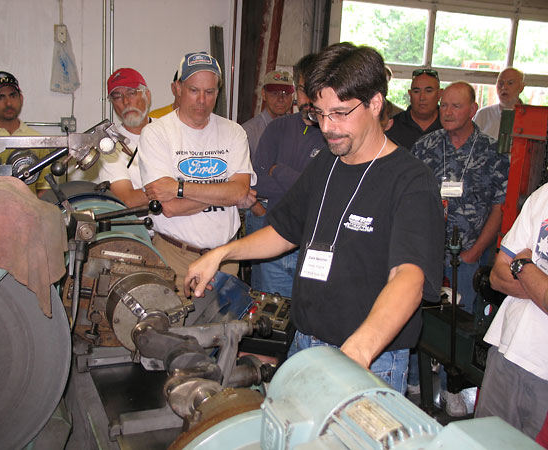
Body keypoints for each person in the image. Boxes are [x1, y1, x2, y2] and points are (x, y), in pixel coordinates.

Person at [184, 43, 444, 394]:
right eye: (319, 113)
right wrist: (222, 254)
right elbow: (284, 231)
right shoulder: (327, 162)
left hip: (368, 359)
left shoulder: (410, 180)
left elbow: (409, 277)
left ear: (375, 103)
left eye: (339, 113)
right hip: (305, 343)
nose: (328, 127)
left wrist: (359, 350)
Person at [138, 52, 255, 292]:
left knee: (223, 329)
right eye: (194, 90)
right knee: (175, 328)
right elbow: (169, 207)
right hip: (176, 257)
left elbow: (239, 191)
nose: (201, 100)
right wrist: (226, 193)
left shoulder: (234, 132)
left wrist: (180, 188)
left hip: (226, 259)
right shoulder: (156, 133)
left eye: (209, 92)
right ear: (178, 88)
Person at [412, 81, 509, 315]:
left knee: (459, 326)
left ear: (473, 109)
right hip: (425, 257)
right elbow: (408, 201)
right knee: (420, 321)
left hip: (466, 260)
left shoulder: (493, 153)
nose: (447, 112)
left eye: (456, 106)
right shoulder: (425, 146)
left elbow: (499, 208)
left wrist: (474, 252)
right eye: (443, 105)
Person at [247, 54, 327, 297]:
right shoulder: (277, 128)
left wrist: (279, 169)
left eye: (316, 89)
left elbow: (321, 190)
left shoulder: (335, 133)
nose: (309, 98)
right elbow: (258, 181)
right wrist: (302, 181)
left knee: (309, 325)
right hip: (275, 242)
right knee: (270, 322)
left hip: (315, 248)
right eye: (304, 89)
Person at [474, 182, 548, 440]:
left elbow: (514, 266)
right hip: (507, 350)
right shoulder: (544, 196)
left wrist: (525, 265)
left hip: (544, 371)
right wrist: (540, 285)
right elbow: (497, 275)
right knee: (484, 442)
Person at [98, 68, 153, 207]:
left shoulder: (169, 131)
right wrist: (175, 189)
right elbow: (126, 199)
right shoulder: (109, 145)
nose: (126, 101)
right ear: (113, 104)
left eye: (132, 93)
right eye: (117, 97)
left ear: (147, 95)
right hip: (138, 226)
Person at [241, 69, 294, 160]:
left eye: (286, 94)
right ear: (264, 94)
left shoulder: (298, 128)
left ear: (293, 96)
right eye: (274, 93)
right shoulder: (248, 133)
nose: (280, 99)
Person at [386, 68, 443, 150]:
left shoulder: (450, 127)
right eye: (416, 91)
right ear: (410, 94)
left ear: (439, 94)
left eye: (428, 91)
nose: (422, 97)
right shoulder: (393, 126)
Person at [474, 67, 525, 140]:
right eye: (500, 83)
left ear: (521, 87)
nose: (504, 87)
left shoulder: (530, 117)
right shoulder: (483, 115)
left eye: (510, 83)